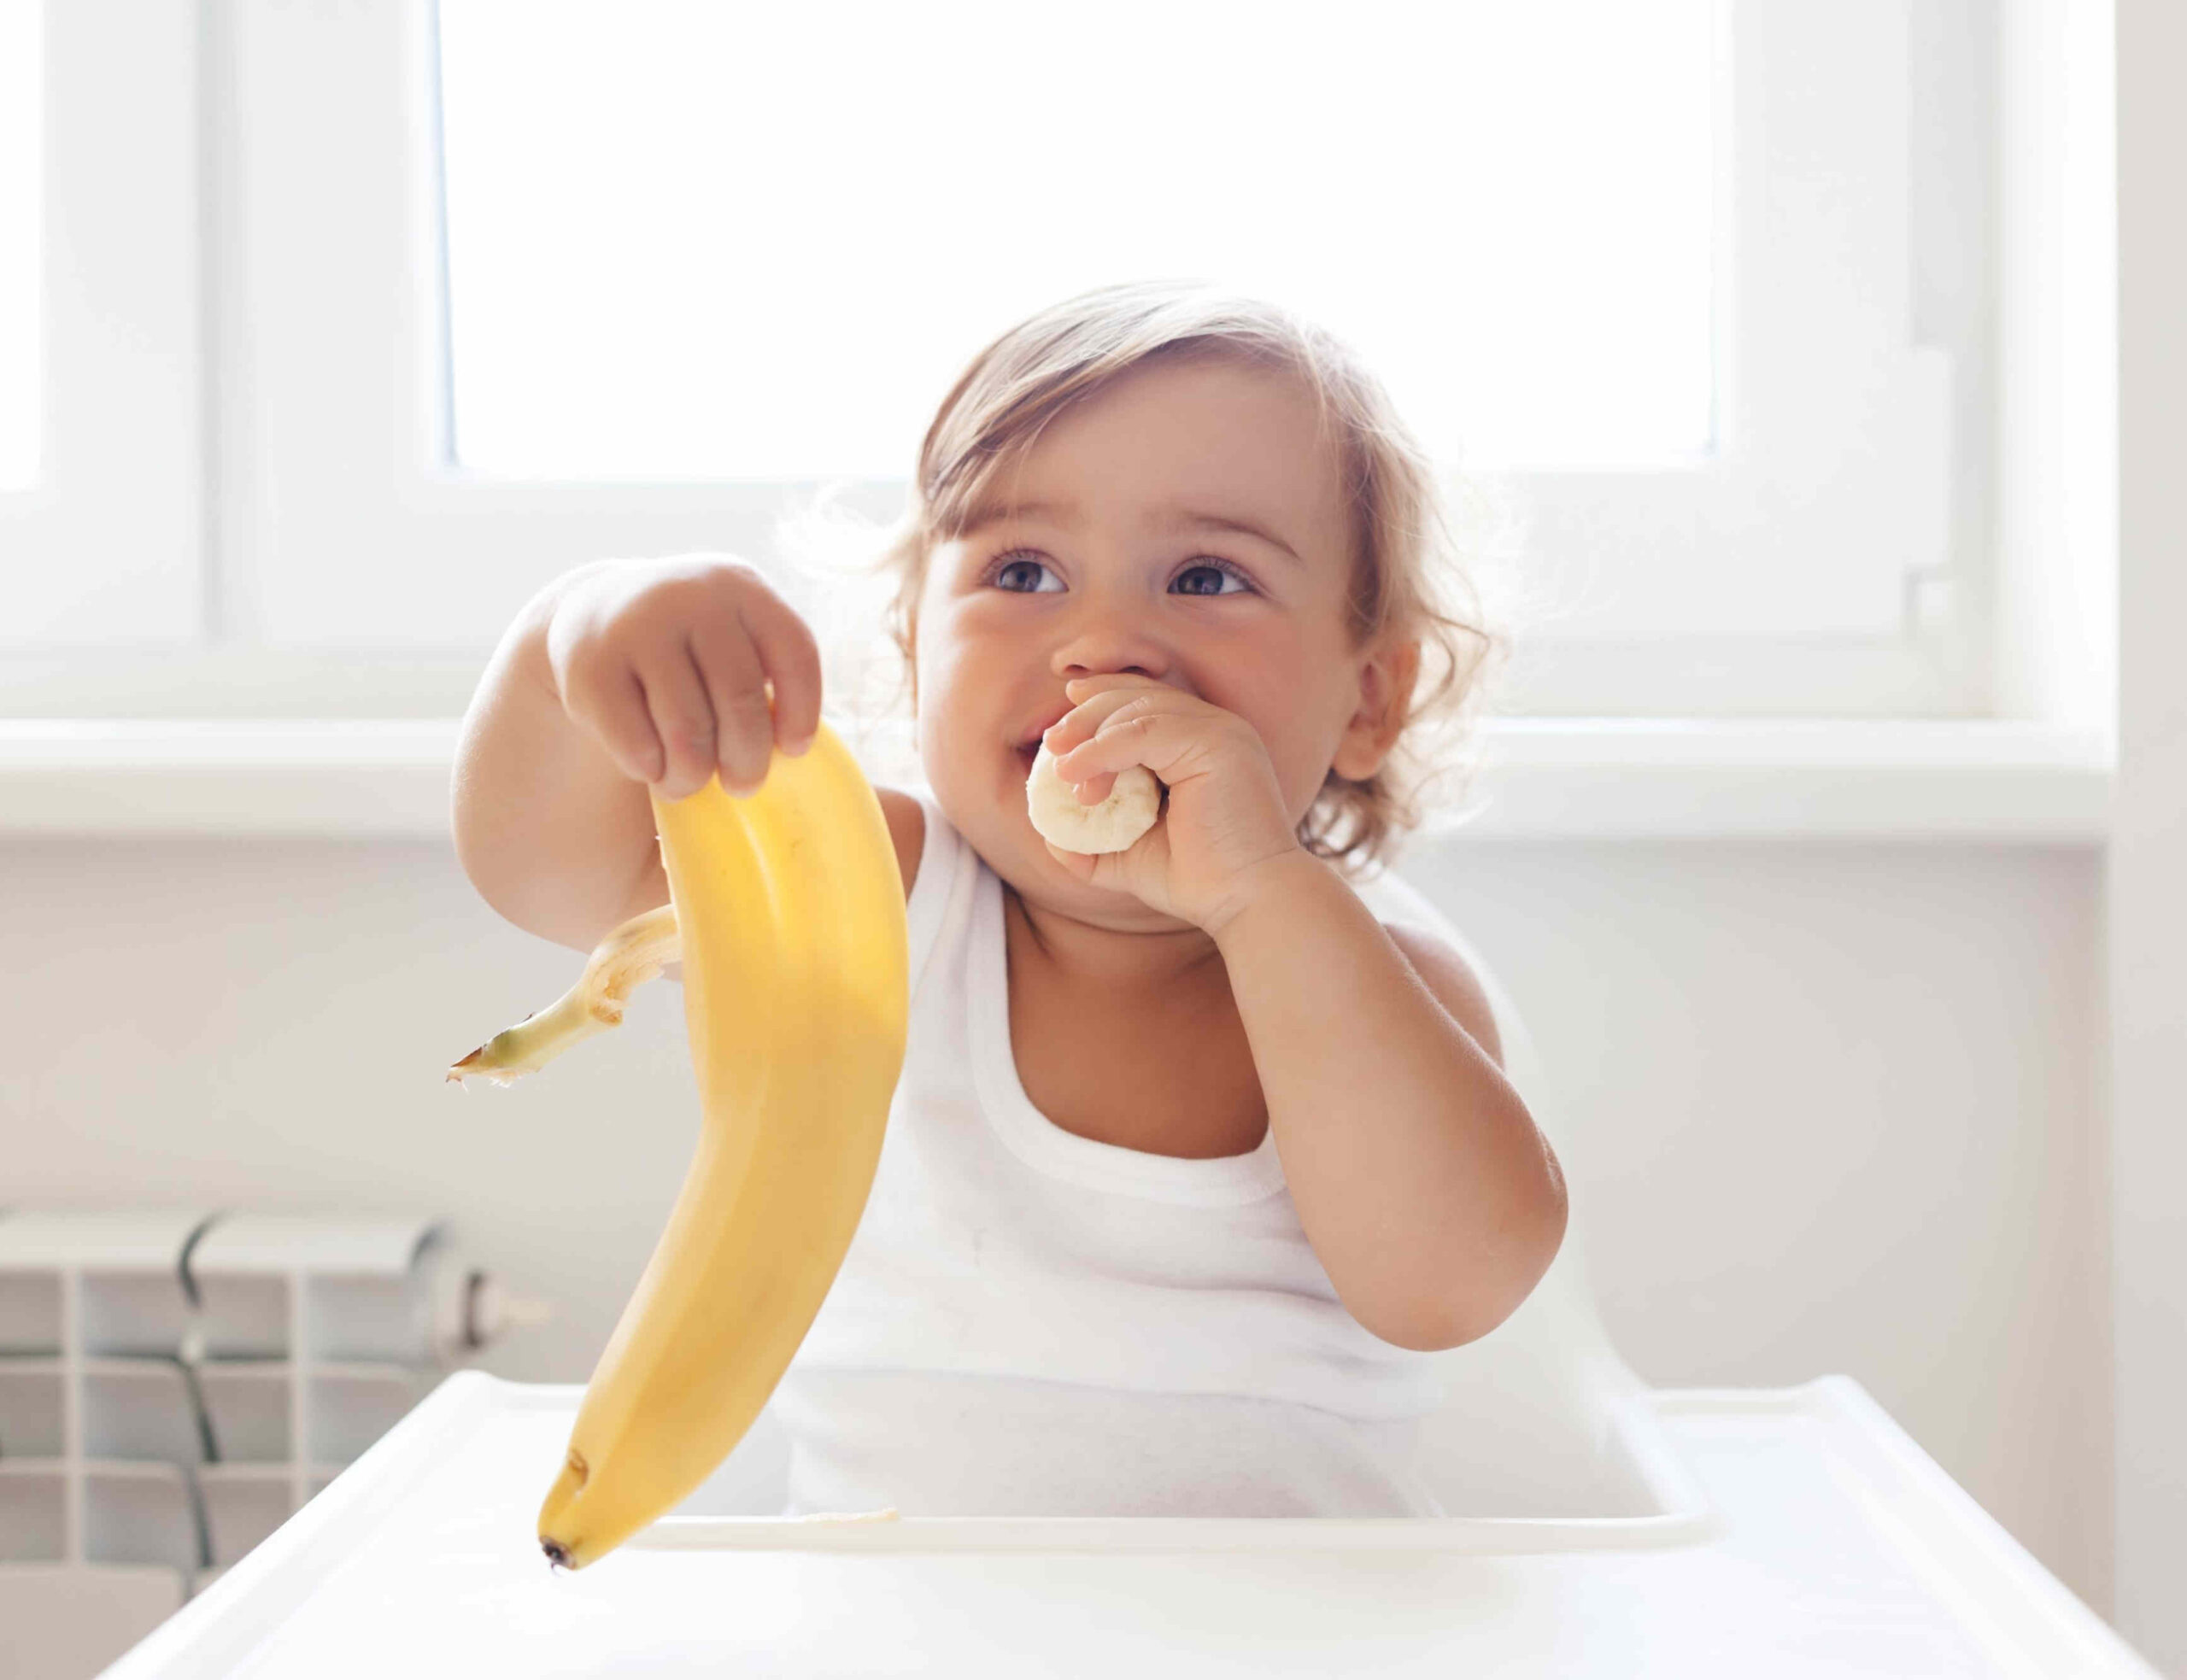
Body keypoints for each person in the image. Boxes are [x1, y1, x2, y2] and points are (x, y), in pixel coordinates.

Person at [452, 278, 1568, 1517]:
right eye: (1025, 570)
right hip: (896, 1620)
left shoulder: (1379, 977)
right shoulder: (872, 899)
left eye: (1205, 578)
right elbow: (545, 873)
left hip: (1283, 1629)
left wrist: (1263, 895)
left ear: (1370, 698)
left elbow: (1451, 1286)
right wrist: (579, 632)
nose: (1102, 642)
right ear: (915, 645)